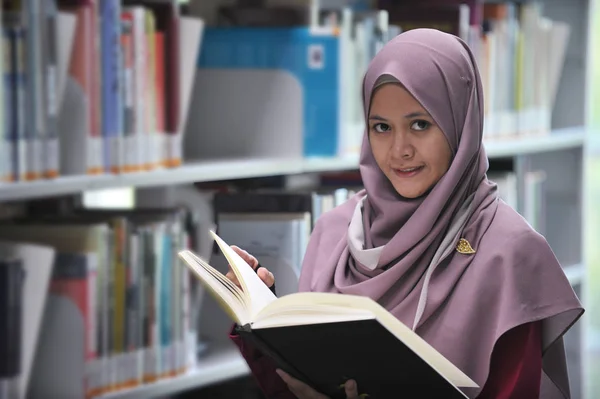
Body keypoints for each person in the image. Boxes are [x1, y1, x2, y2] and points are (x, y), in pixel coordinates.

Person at [225, 28, 584, 399]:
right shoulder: (333, 232)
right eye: (381, 127)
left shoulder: (510, 253)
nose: (399, 150)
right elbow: (296, 387)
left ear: (461, 123)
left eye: (420, 125)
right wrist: (261, 318)